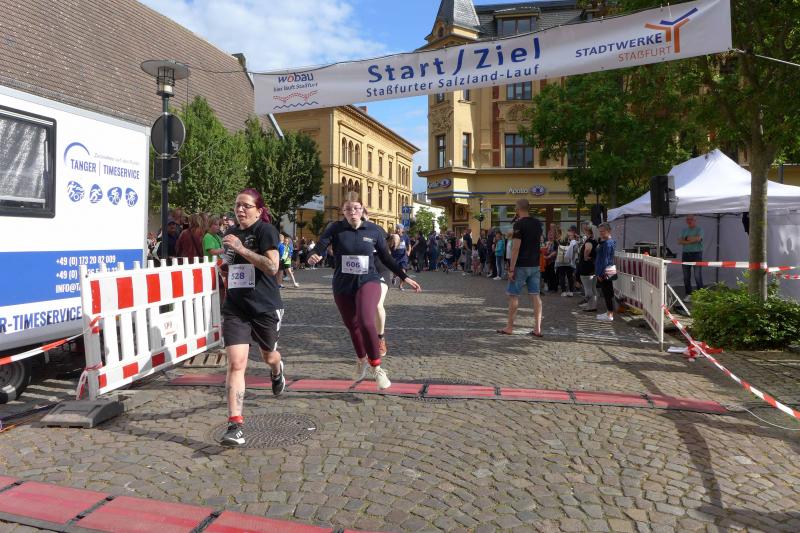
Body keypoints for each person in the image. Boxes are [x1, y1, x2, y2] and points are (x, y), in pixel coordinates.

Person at [308, 193, 421, 389]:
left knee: (366, 320)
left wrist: (404, 277)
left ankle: (377, 368)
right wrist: (313, 255)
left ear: (362, 209)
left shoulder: (374, 230)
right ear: (343, 211)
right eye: (348, 209)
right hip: (343, 284)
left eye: (356, 208)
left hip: (369, 280)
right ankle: (361, 360)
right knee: (352, 325)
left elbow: (386, 258)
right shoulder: (335, 228)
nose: (352, 212)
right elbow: (319, 247)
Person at [219, 188, 286, 446]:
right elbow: (229, 263)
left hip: (264, 306)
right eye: (237, 205)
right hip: (236, 306)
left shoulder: (266, 230)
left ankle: (277, 369)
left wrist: (242, 249)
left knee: (269, 356)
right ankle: (235, 425)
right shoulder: (230, 232)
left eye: (246, 205)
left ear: (259, 210)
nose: (240, 209)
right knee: (236, 364)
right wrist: (224, 263)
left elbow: (272, 266)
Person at [497, 199, 543, 337]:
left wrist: (511, 269)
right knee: (535, 295)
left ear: (517, 209)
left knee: (513, 296)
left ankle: (509, 327)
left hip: (521, 265)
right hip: (534, 264)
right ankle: (537, 328)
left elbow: (515, 248)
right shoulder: (537, 223)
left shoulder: (519, 224)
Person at [595, 222, 617, 322]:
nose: (601, 233)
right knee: (608, 292)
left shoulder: (607, 243)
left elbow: (605, 260)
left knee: (607, 293)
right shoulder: (608, 242)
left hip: (606, 270)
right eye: (600, 231)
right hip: (609, 268)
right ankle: (609, 312)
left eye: (603, 231)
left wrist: (600, 273)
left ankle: (610, 314)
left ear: (608, 231)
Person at [678, 214, 704, 300]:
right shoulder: (684, 230)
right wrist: (691, 239)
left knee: (697, 275)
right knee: (686, 276)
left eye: (691, 219)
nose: (689, 221)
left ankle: (701, 294)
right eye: (688, 219)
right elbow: (679, 241)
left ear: (695, 220)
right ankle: (689, 294)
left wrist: (686, 239)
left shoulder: (699, 229)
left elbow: (699, 239)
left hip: (697, 254)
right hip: (686, 254)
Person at [577, 223, 598, 312]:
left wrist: (585, 257)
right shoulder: (595, 240)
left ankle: (590, 306)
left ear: (587, 231)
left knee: (588, 288)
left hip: (586, 267)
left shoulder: (589, 241)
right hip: (592, 266)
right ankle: (593, 306)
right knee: (593, 288)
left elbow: (588, 249)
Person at [556, 226, 578, 297]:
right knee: (570, 276)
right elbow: (575, 250)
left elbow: (557, 250)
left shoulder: (559, 240)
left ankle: (563, 291)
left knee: (562, 276)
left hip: (561, 261)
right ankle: (571, 291)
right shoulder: (572, 241)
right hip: (569, 261)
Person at [390, 224, 411, 290]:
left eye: (399, 228)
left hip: (403, 256)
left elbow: (409, 245)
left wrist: (409, 251)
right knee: (396, 271)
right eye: (397, 228)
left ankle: (401, 286)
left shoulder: (406, 236)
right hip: (395, 256)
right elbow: (390, 245)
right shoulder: (394, 236)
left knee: (403, 271)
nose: (398, 230)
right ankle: (394, 277)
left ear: (402, 229)